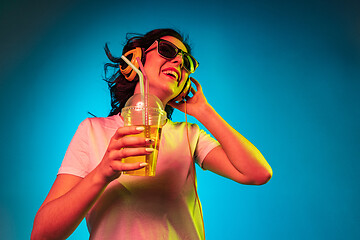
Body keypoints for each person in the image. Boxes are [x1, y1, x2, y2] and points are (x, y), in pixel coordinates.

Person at [31, 28, 272, 240]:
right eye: (167, 50)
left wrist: (204, 111)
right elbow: (42, 234)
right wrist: (102, 172)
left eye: (187, 63)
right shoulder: (93, 131)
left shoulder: (189, 135)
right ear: (136, 59)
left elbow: (258, 173)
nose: (179, 62)